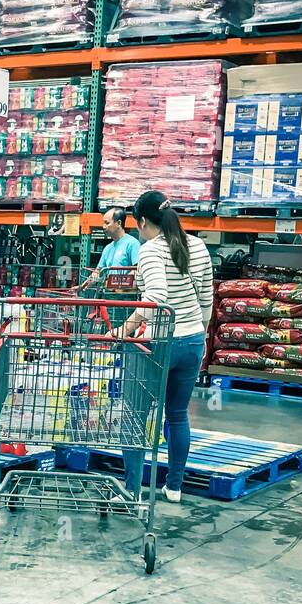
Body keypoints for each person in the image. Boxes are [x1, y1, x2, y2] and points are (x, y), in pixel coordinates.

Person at [119, 190, 213, 504]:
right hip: (192, 342)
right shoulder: (197, 245)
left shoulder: (150, 250)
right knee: (176, 415)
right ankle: (174, 487)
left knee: (134, 415)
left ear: (142, 221)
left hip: (161, 344)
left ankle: (131, 491)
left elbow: (156, 296)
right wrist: (200, 334)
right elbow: (206, 300)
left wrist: (128, 327)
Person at [82, 206, 140, 290]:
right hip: (109, 295)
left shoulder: (132, 244)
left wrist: (119, 286)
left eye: (107, 223)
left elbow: (136, 270)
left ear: (119, 223)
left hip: (126, 298)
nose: (104, 226)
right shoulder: (108, 248)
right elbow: (98, 271)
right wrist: (83, 286)